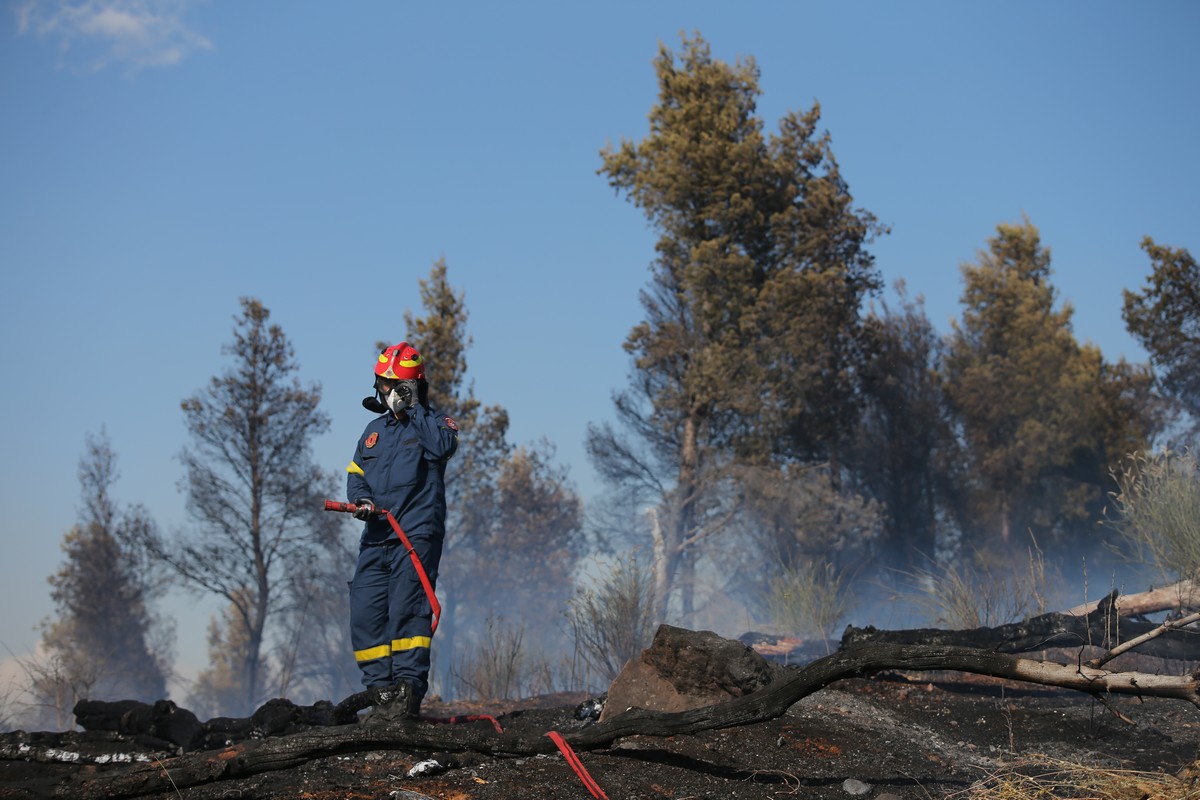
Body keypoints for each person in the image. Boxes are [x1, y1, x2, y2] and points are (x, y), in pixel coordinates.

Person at [345, 342, 459, 722]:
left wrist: (414, 408)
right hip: (376, 536)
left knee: (407, 612)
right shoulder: (372, 431)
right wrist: (360, 500)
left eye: (394, 385)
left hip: (415, 534)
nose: (385, 392)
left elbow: (443, 447)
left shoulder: (434, 425)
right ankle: (380, 695)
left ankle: (406, 694)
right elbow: (356, 473)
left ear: (410, 388)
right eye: (382, 384)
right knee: (366, 612)